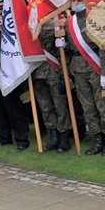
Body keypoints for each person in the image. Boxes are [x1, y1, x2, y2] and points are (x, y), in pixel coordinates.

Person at [65, 0, 105, 155]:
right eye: (73, 1)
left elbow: (104, 47)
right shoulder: (68, 23)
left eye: (79, 0)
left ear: (87, 0)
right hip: (78, 69)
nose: (76, 4)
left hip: (95, 68)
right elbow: (70, 50)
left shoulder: (96, 19)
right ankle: (98, 139)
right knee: (87, 106)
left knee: (103, 105)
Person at [0, 16, 30, 151]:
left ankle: (21, 139)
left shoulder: (9, 37)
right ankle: (4, 136)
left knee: (13, 110)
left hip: (6, 79)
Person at [33, 21, 72, 152]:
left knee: (60, 106)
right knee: (45, 108)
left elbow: (63, 52)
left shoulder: (55, 22)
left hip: (54, 71)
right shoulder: (29, 24)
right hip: (37, 73)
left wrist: (63, 73)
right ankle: (54, 137)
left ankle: (64, 138)